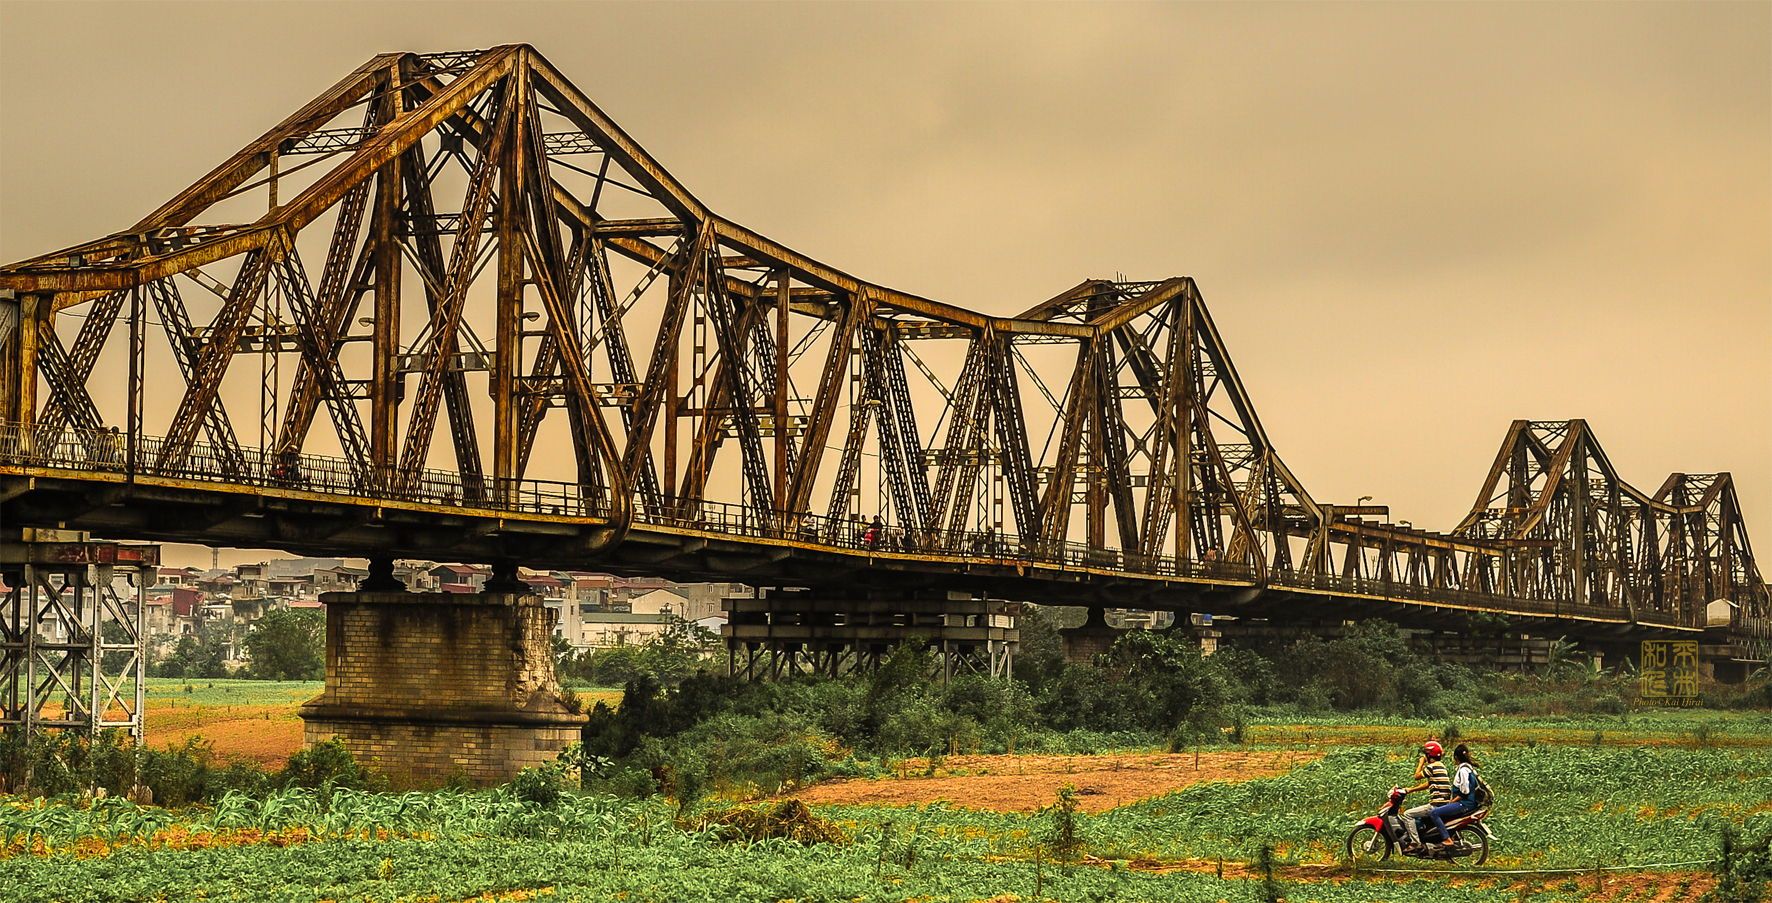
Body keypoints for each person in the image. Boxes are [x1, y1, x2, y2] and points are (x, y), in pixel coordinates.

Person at [1420, 743, 1481, 849]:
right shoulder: (1469, 768)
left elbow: (1464, 791)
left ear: (1456, 758)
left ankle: (1447, 839)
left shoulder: (1462, 771)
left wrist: (1452, 801)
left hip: (1464, 804)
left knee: (1434, 813)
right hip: (1469, 803)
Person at [1400, 740, 1454, 852]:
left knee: (1407, 814)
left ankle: (1415, 843)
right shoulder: (1441, 766)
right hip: (1444, 803)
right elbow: (1429, 783)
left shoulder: (1432, 767)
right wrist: (1411, 790)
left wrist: (1421, 763)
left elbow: (1417, 776)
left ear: (1429, 755)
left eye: (1426, 754)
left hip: (1436, 804)